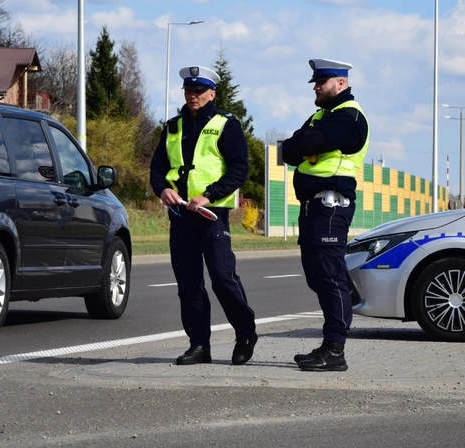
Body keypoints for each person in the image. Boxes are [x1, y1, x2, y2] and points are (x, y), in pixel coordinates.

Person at [149, 65, 257, 366]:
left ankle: (246, 333)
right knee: (188, 283)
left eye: (199, 90)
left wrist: (208, 194)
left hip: (212, 213)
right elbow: (157, 168)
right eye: (189, 90)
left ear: (212, 93)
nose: (193, 95)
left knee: (222, 277)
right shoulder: (172, 126)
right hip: (180, 214)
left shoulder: (226, 124)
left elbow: (239, 169)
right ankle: (199, 345)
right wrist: (162, 190)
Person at [281, 58, 370, 371]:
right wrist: (303, 145)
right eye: (316, 83)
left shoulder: (349, 117)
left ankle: (335, 350)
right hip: (314, 207)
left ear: (341, 83)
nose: (316, 87)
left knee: (330, 276)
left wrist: (305, 144)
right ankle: (329, 344)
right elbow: (290, 149)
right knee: (318, 276)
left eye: (322, 82)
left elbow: (303, 142)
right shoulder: (322, 115)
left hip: (331, 206)